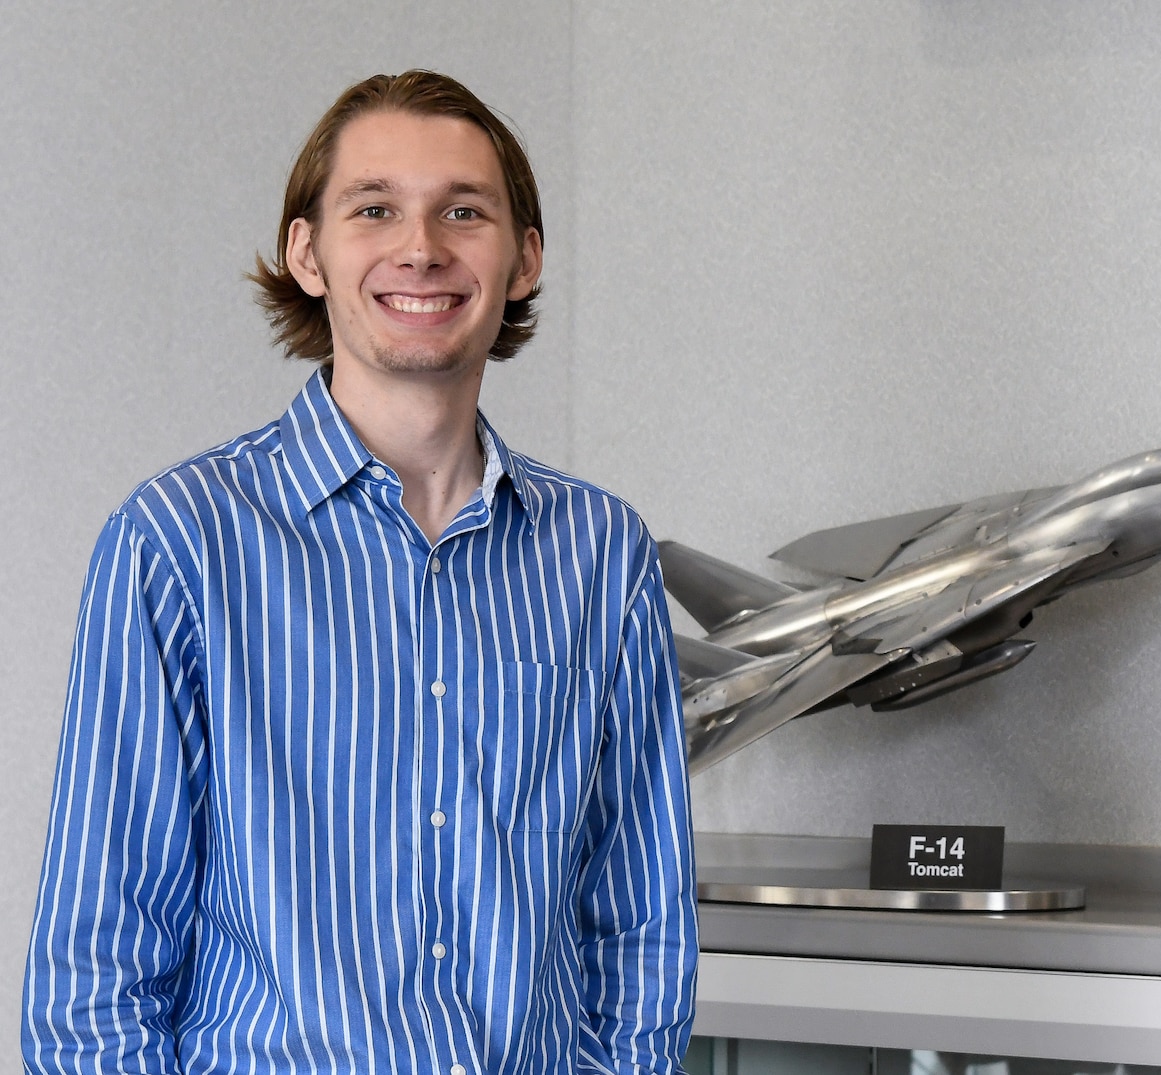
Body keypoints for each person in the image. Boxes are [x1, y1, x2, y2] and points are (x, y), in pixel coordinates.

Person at [22, 71, 698, 1073]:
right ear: (307, 252)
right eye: (373, 208)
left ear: (523, 260)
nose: (420, 246)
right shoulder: (180, 540)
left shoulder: (600, 552)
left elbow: (639, 921)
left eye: (463, 211)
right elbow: (95, 973)